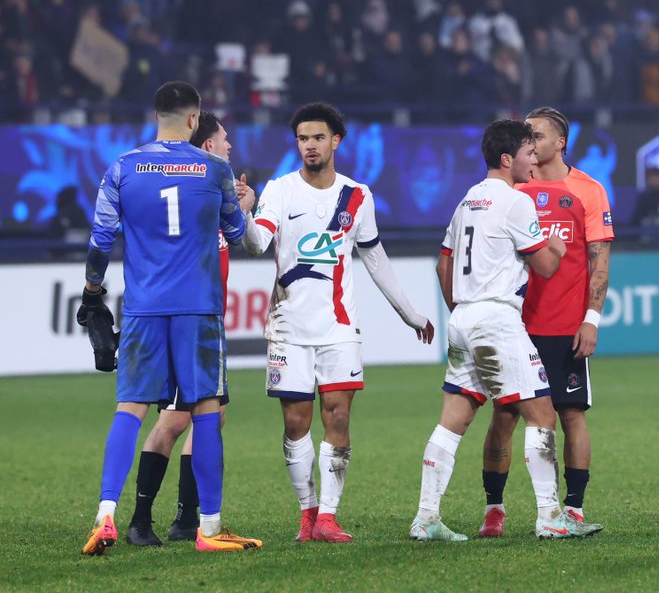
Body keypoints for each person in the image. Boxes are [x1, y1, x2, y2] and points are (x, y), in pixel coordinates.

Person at [79, 81, 261, 555]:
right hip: (198, 308)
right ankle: (208, 527)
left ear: (156, 115)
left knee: (130, 409)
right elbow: (236, 233)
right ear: (194, 119)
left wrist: (93, 293)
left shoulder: (123, 168)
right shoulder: (214, 169)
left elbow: (100, 239)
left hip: (143, 308)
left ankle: (105, 515)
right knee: (207, 411)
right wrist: (243, 203)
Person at [242, 102, 434, 543]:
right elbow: (255, 245)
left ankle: (328, 517)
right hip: (288, 329)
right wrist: (245, 212)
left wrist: (409, 313)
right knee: (296, 424)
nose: (310, 145)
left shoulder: (357, 196)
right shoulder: (280, 190)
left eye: (318, 137)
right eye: (303, 139)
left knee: (339, 417)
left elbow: (375, 259)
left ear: (336, 141)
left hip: (339, 328)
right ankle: (307, 514)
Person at [409, 119, 604, 542]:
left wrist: (461, 309)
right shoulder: (516, 202)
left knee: (452, 421)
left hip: (462, 319)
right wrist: (555, 246)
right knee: (542, 415)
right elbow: (547, 267)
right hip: (498, 320)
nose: (533, 160)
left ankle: (426, 517)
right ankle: (550, 517)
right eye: (527, 153)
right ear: (506, 158)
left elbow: (443, 266)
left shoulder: (467, 200)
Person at [479, 107, 614, 538]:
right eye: (526, 136)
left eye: (536, 135)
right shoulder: (515, 188)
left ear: (560, 142)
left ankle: (573, 508)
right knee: (504, 416)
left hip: (565, 327)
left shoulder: (588, 190)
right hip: (515, 324)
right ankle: (494, 509)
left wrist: (591, 320)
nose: (529, 142)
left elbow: (599, 263)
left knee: (571, 415)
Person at [125, 111, 256, 547]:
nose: (230, 146)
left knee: (205, 417)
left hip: (202, 323)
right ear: (207, 145)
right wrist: (240, 206)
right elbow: (224, 232)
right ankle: (144, 520)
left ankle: (183, 519)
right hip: (188, 322)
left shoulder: (208, 193)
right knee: (177, 419)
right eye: (224, 139)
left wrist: (234, 202)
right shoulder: (200, 195)